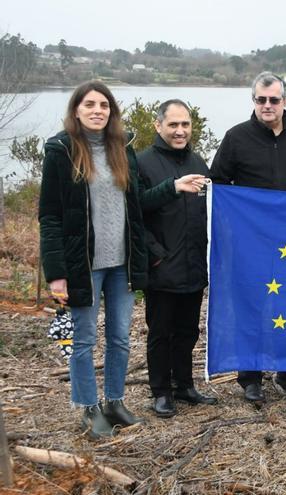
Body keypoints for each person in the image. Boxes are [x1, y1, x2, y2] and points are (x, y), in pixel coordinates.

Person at [39, 81, 203, 438]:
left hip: (122, 263)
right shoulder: (60, 151)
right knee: (83, 340)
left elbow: (138, 203)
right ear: (76, 110)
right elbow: (49, 216)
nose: (98, 111)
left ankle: (114, 401)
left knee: (119, 337)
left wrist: (173, 187)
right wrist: (56, 273)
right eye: (90, 105)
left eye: (104, 105)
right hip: (84, 263)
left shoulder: (121, 148)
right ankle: (88, 408)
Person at [211, 71, 286, 403]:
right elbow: (218, 183)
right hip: (251, 244)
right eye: (261, 100)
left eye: (274, 100)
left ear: (285, 102)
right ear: (254, 102)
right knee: (252, 307)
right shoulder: (236, 138)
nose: (267, 105)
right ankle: (251, 376)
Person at [138, 100, 218, 417]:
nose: (180, 131)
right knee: (160, 331)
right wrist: (155, 256)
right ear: (159, 126)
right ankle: (161, 391)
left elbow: (211, 209)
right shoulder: (142, 162)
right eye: (173, 125)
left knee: (188, 330)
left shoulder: (198, 160)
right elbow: (135, 211)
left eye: (185, 124)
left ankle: (184, 385)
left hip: (194, 263)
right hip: (162, 266)